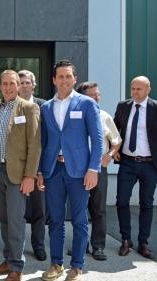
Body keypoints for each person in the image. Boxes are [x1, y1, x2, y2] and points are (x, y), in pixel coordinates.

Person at [38, 60, 103, 281]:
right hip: (53, 170)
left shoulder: (86, 104)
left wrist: (93, 169)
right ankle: (56, 264)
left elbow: (97, 138)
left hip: (79, 171)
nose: (64, 80)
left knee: (79, 220)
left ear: (74, 79)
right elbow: (44, 142)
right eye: (60, 76)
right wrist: (40, 171)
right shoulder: (46, 107)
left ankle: (77, 266)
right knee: (55, 220)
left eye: (68, 76)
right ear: (53, 80)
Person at [0, 70, 41, 281]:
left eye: (12, 83)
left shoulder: (28, 108)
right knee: (3, 219)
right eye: (4, 83)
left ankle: (16, 267)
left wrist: (30, 176)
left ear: (19, 85)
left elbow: (35, 145)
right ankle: (8, 259)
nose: (8, 87)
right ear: (0, 86)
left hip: (17, 174)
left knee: (16, 220)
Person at [74, 82, 121, 261]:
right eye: (92, 95)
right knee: (79, 210)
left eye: (98, 95)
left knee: (98, 209)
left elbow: (116, 140)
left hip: (98, 168)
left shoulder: (104, 116)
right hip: (78, 168)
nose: (97, 98)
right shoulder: (75, 115)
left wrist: (109, 155)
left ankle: (98, 246)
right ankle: (81, 245)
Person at [113, 76, 157, 260]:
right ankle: (125, 239)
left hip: (149, 164)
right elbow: (114, 130)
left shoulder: (155, 108)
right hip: (128, 162)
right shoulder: (123, 106)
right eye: (133, 88)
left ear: (149, 90)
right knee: (122, 201)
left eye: (139, 89)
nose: (135, 92)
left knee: (146, 204)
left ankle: (143, 242)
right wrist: (113, 148)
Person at [18, 69, 47, 261]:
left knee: (39, 210)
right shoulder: (11, 105)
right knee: (16, 210)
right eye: (20, 83)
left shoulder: (44, 106)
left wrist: (42, 169)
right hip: (15, 166)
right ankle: (15, 247)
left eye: (27, 82)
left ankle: (38, 246)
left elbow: (48, 139)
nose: (24, 86)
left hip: (37, 167)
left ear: (33, 85)